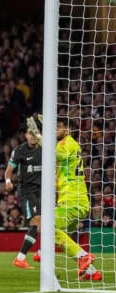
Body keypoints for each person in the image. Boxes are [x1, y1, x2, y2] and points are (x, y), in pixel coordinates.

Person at [53, 118, 101, 281]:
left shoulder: (68, 143)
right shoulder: (65, 144)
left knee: (50, 228)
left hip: (73, 200)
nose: (55, 130)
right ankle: (92, 272)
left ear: (68, 130)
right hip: (73, 199)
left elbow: (55, 154)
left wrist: (40, 138)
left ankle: (84, 257)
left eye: (58, 127)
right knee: (61, 238)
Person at [5, 120, 42, 269]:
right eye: (30, 133)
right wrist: (8, 180)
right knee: (37, 221)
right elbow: (9, 171)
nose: (32, 136)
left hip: (43, 191)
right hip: (27, 190)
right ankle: (33, 254)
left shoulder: (44, 149)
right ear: (25, 135)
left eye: (35, 134)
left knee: (42, 224)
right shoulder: (20, 150)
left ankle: (26, 256)